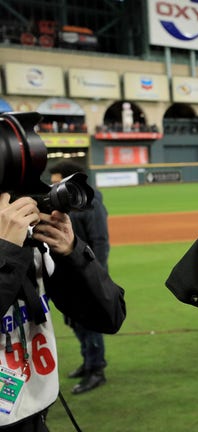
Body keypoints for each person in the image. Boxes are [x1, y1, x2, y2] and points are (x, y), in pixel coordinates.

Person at [0, 192, 126, 429]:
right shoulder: (11, 247)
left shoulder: (30, 245)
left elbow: (110, 316)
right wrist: (5, 253)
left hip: (35, 415)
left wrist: (73, 251)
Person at [48, 161, 111, 395]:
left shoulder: (90, 202)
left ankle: (97, 370)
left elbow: (100, 242)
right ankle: (88, 363)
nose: (52, 187)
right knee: (75, 322)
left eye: (57, 182)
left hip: (85, 274)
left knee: (90, 322)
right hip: (65, 274)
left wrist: (94, 275)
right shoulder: (63, 204)